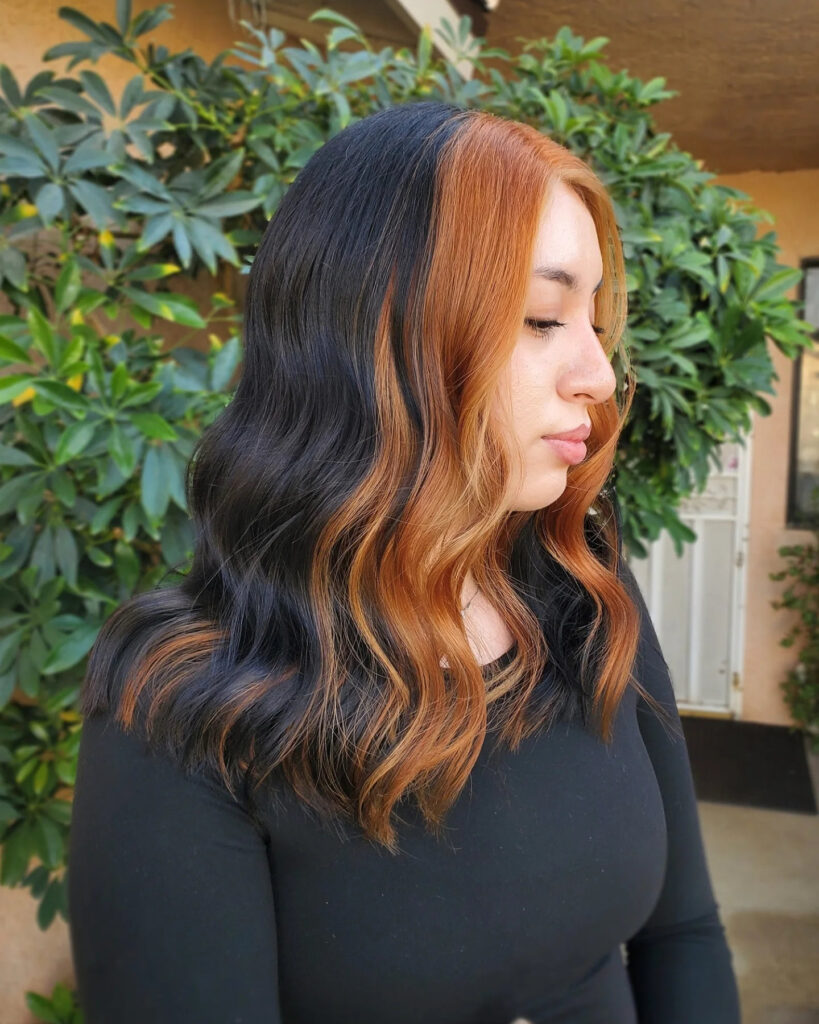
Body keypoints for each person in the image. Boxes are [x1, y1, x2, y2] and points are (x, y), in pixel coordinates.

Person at [67, 100, 742, 1023]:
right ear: (376, 338)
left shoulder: (584, 589)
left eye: (593, 319)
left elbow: (682, 935)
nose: (595, 372)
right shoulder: (186, 708)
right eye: (542, 318)